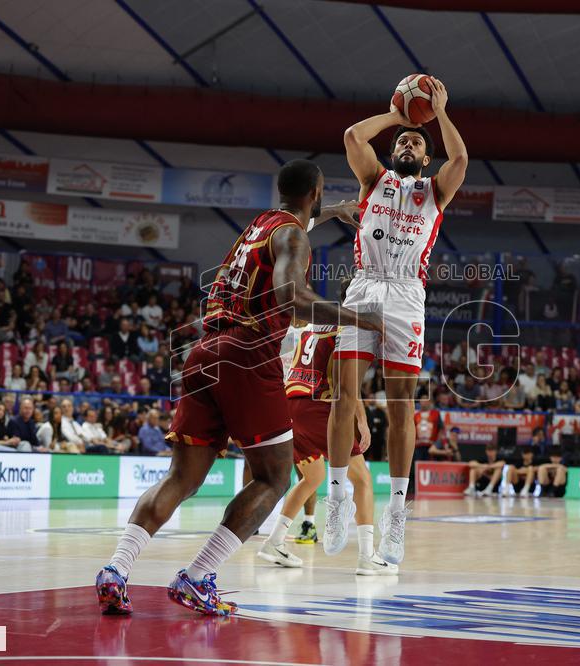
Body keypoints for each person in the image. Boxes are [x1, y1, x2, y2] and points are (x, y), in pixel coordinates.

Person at [96, 159, 381, 616]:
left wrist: (335, 211)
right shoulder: (294, 236)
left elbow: (298, 223)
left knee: (181, 478)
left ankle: (115, 569)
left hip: (203, 352)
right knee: (273, 476)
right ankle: (198, 576)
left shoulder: (260, 225)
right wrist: (361, 319)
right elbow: (294, 298)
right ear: (318, 190)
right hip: (248, 353)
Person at [327, 77, 467, 566]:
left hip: (408, 296)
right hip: (365, 286)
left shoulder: (435, 191)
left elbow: (462, 161)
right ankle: (337, 492)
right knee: (345, 393)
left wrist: (439, 114)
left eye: (416, 142)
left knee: (400, 408)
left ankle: (397, 517)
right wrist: (397, 114)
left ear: (426, 158)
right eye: (403, 142)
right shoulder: (373, 181)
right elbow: (351, 137)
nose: (408, 144)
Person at [257, 314, 398, 576]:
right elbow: (344, 383)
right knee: (363, 480)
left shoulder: (312, 326)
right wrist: (362, 420)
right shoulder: (348, 330)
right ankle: (367, 555)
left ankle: (274, 541)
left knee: (312, 477)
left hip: (291, 403)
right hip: (317, 407)